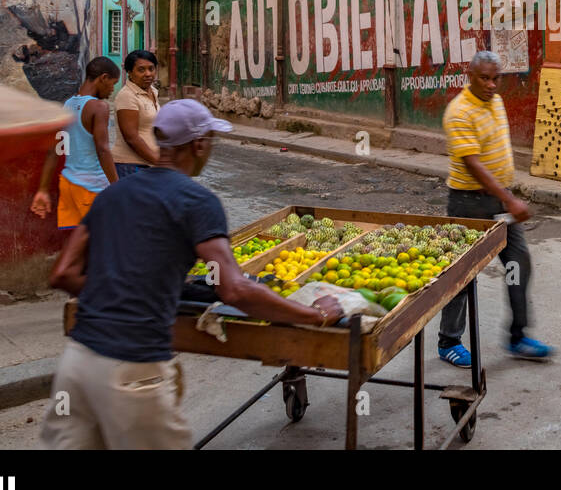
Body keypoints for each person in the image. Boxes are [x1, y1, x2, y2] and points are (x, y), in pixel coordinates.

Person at [40, 100, 343, 449]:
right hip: (133, 369)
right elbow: (235, 290)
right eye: (211, 140)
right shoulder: (196, 202)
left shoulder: (112, 195)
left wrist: (122, 289)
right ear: (198, 144)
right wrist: (314, 315)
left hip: (76, 366)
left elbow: (62, 273)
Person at [436, 51, 552, 366]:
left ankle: (517, 338)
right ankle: (448, 341)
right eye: (484, 78)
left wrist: (507, 197)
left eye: (495, 78)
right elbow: (473, 164)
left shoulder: (495, 101)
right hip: (469, 204)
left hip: (500, 202)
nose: (491, 84)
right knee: (463, 274)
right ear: (469, 76)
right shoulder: (459, 112)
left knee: (518, 263)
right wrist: (511, 199)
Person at [30, 57, 120, 229]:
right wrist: (117, 186)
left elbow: (53, 151)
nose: (112, 89)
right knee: (105, 244)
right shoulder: (99, 107)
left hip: (69, 185)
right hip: (92, 187)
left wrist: (42, 189)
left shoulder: (68, 105)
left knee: (78, 245)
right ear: (103, 78)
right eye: (112, 83)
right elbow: (103, 149)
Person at [111, 49, 161, 177]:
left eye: (151, 68)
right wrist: (160, 163)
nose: (148, 74)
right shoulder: (127, 96)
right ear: (129, 73)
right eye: (141, 70)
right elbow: (131, 138)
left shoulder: (153, 92)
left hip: (149, 164)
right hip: (131, 166)